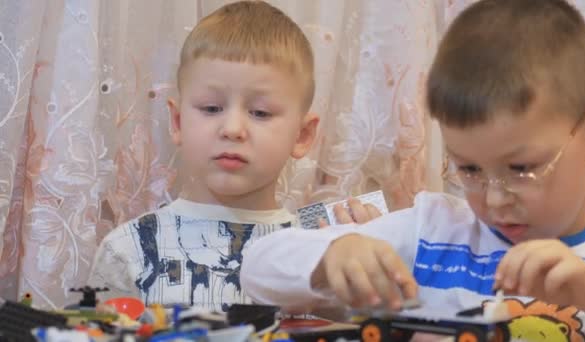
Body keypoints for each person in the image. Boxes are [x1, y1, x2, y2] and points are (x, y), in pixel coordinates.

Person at [241, 0, 585, 338]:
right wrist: (335, 254)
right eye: (470, 169)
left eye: (521, 168)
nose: (495, 199)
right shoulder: (435, 230)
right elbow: (258, 269)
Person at [88, 0, 378, 312]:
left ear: (302, 135)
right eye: (212, 108)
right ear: (178, 122)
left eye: (260, 112)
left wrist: (374, 267)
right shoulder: (128, 250)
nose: (233, 129)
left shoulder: (320, 245)